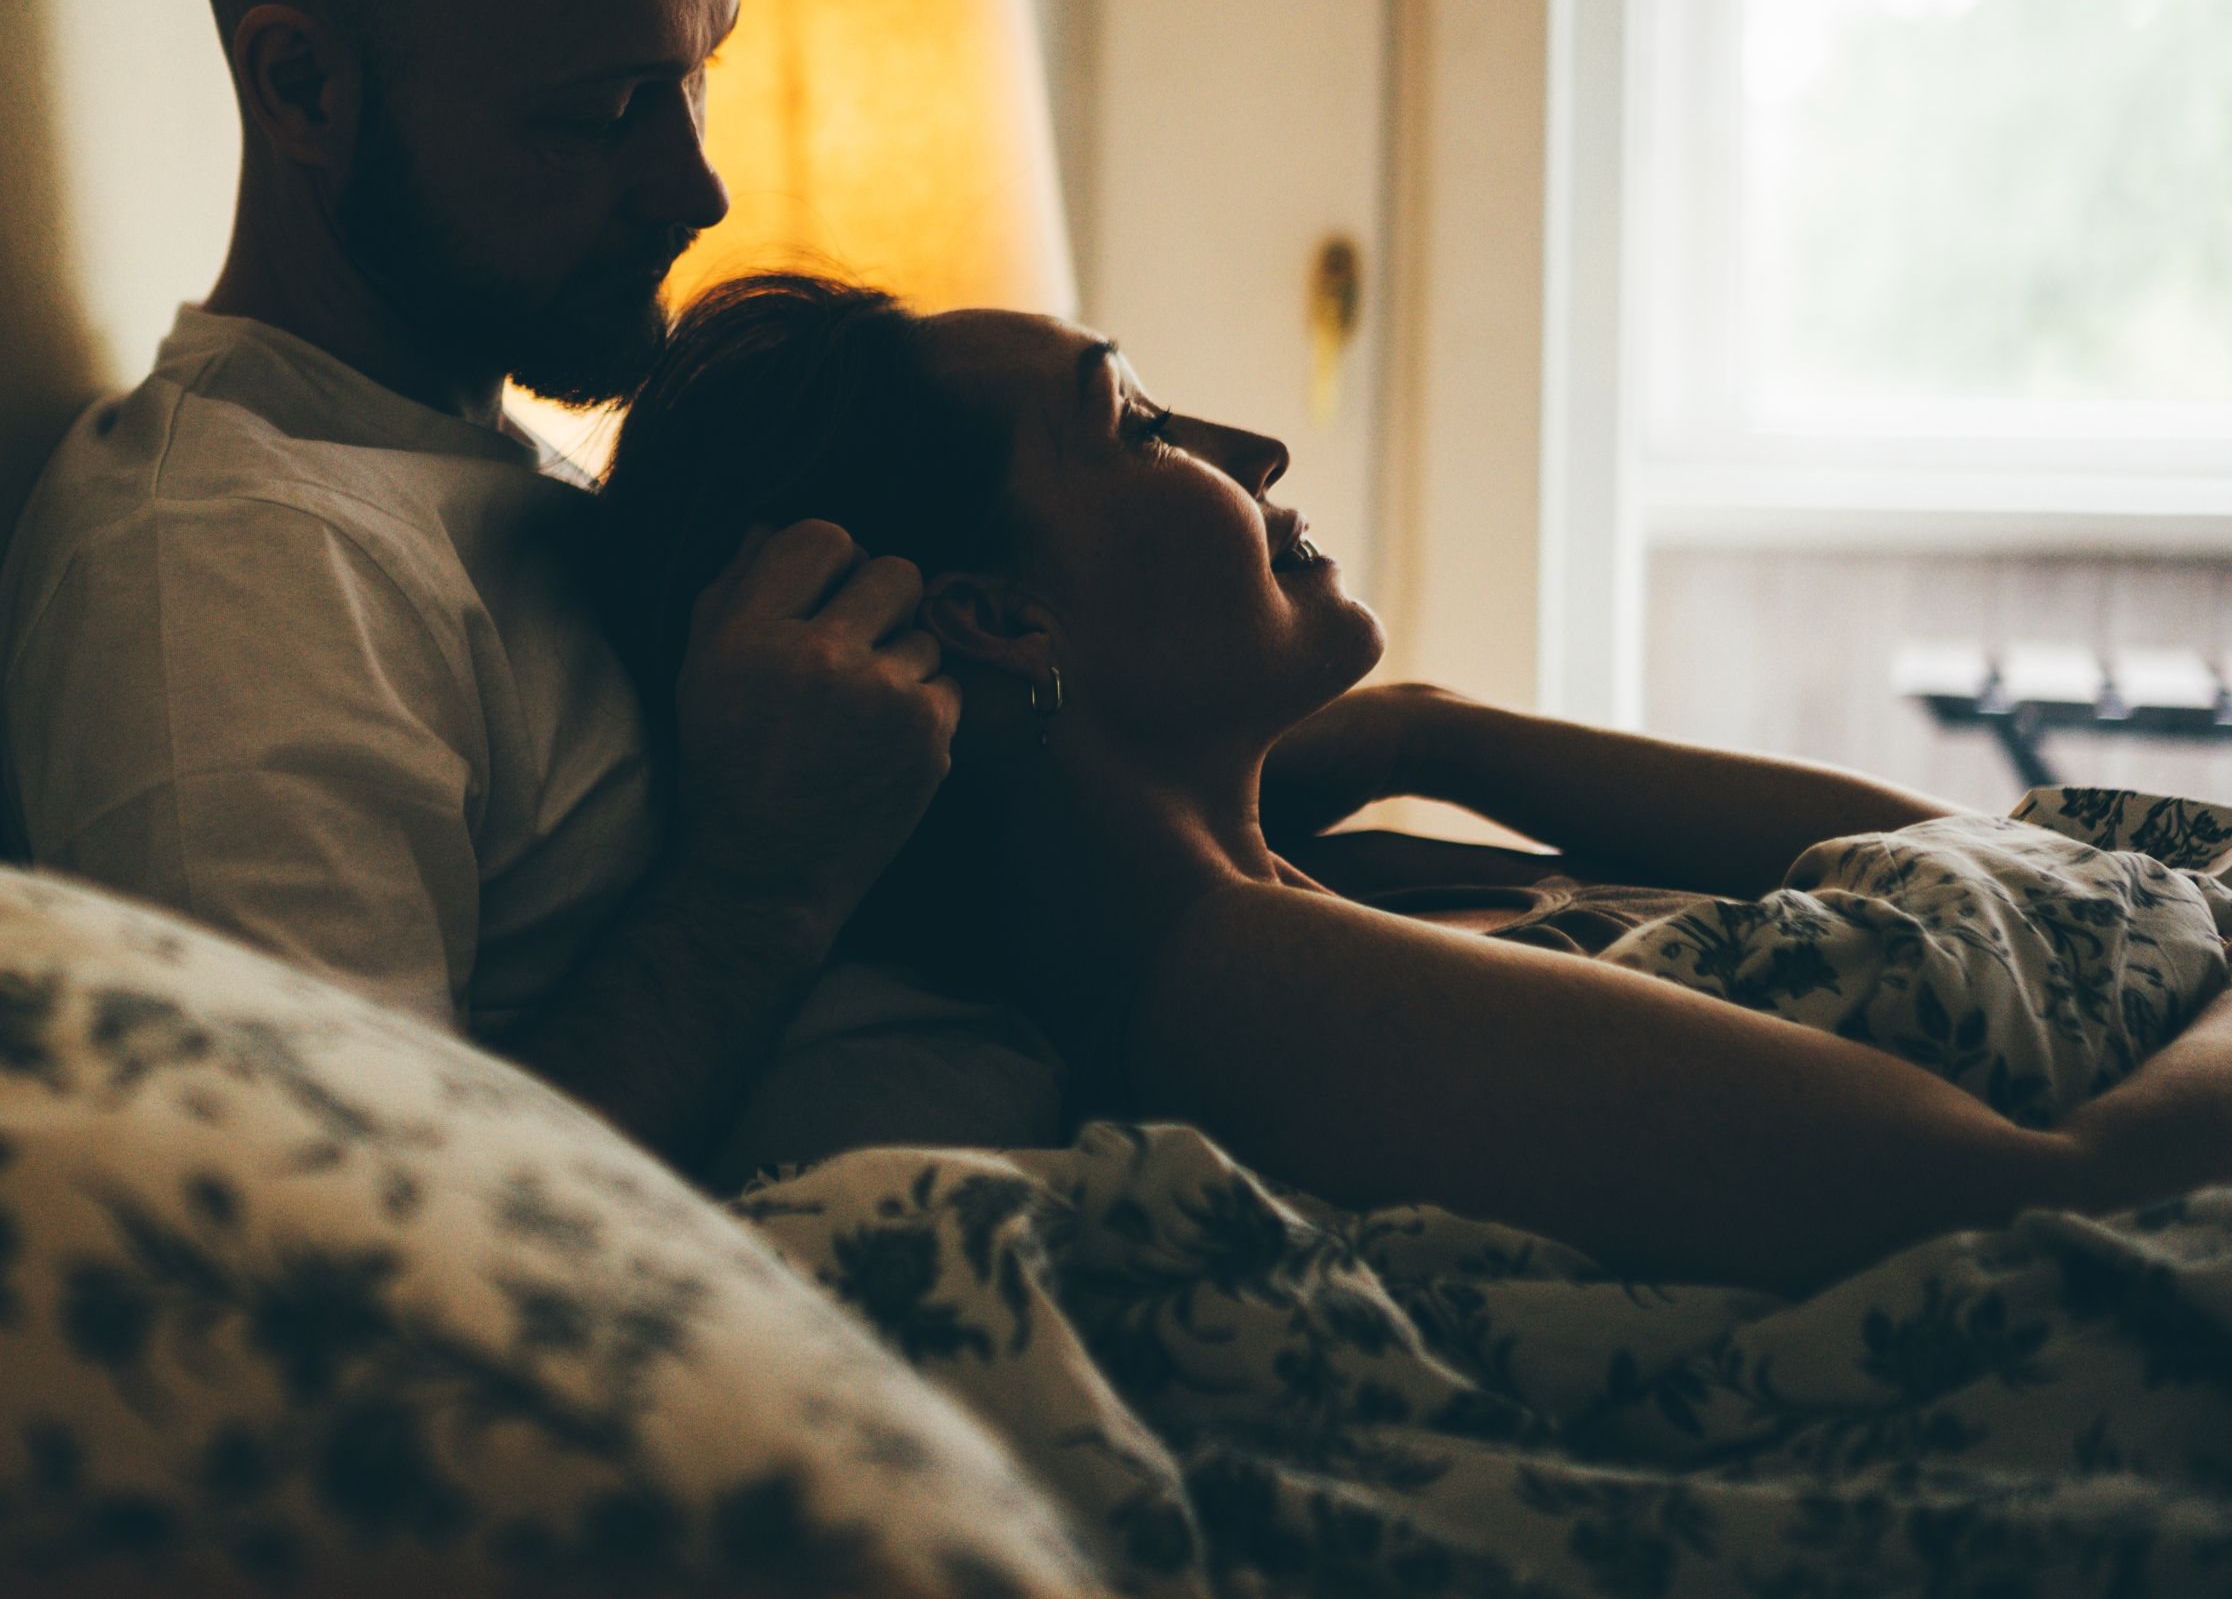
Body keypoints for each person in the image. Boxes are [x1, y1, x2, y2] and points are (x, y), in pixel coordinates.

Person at [589, 268, 2232, 1292]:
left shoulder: (1317, 887)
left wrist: (1435, 731)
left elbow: (2022, 854)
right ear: (999, 617)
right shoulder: (1248, 986)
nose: (1256, 454)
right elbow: (2052, 1209)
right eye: (1139, 422)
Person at [0, 0, 1008, 1179]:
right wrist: (753, 890)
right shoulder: (231, 572)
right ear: (304, 86)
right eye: (602, 111)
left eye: (697, 74)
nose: (696, 190)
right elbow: (352, 1258)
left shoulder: (465, 479)